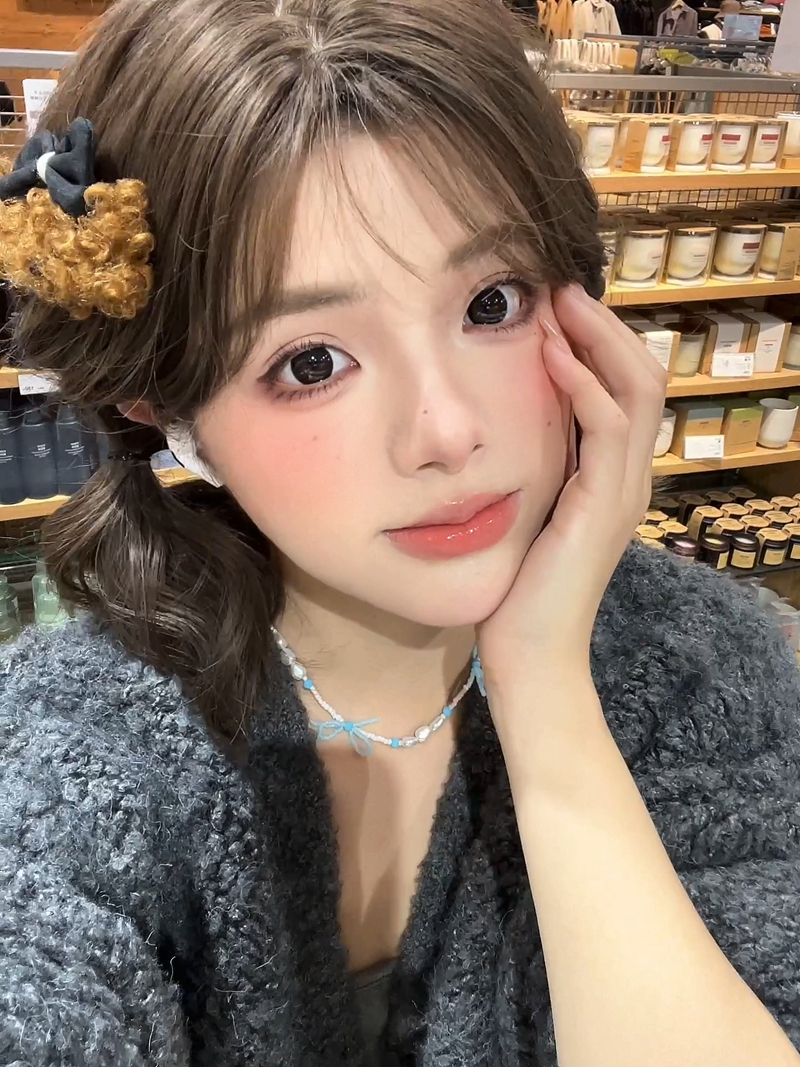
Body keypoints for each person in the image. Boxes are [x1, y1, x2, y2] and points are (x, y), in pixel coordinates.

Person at [0, 1, 799, 1065]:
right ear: (168, 411)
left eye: (493, 303)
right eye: (311, 363)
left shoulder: (707, 667)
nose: (448, 431)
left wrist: (546, 690)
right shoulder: (66, 757)